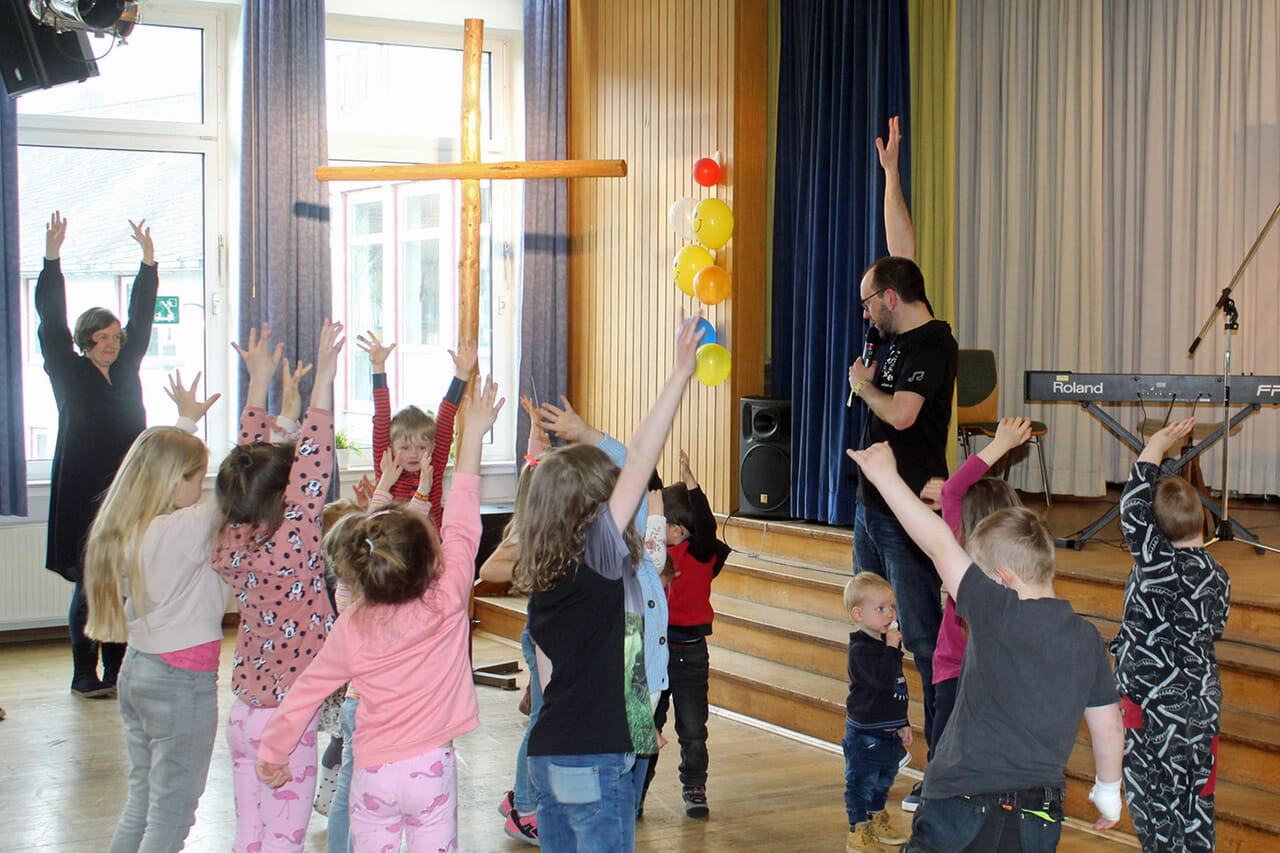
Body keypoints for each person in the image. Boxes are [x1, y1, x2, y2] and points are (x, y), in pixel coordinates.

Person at [256, 376, 503, 853]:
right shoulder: (449, 597)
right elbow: (462, 521)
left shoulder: (353, 622)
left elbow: (307, 691)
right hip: (431, 770)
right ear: (431, 557)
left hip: (372, 773)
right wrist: (471, 438)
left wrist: (273, 750)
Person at [846, 441, 1124, 851]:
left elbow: (938, 542)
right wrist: (1108, 790)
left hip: (961, 799)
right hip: (1039, 811)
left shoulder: (996, 610)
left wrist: (886, 477)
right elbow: (1108, 725)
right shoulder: (1086, 638)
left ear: (1000, 578)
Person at [513, 315, 703, 852]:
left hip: (548, 757)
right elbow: (642, 457)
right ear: (590, 513)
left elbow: (550, 685)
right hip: (596, 758)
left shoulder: (545, 579)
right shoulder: (595, 556)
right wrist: (679, 373)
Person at [848, 118, 958, 807]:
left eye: (869, 300)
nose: (865, 309)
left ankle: (942, 771)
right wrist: (891, 174)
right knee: (872, 625)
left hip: (912, 514)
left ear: (891, 301)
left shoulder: (933, 345)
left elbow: (903, 414)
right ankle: (882, 736)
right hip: (870, 507)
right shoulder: (893, 310)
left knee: (923, 639)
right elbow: (901, 252)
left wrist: (862, 385)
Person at [212, 321, 344, 853]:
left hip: (244, 713)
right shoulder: (294, 540)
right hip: (286, 724)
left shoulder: (231, 534)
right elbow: (312, 462)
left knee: (252, 835)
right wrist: (323, 383)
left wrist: (257, 384)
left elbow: (244, 466)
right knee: (285, 841)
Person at [82, 374, 220, 851]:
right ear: (174, 482)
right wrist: (283, 421)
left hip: (138, 671)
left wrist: (186, 422)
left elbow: (152, 463)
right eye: (198, 480)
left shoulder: (125, 527)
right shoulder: (187, 527)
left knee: (142, 800)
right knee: (172, 813)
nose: (203, 491)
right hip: (181, 682)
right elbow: (252, 479)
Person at [35, 211, 159, 698]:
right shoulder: (67, 370)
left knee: (123, 585)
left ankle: (116, 671)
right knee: (91, 587)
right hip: (84, 495)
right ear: (85, 341)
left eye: (115, 338)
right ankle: (84, 675)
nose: (111, 344)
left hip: (130, 492)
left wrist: (148, 264)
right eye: (101, 338)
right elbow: (50, 320)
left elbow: (143, 318)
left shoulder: (127, 367)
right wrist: (52, 259)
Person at [1110, 418, 1230, 853]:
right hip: (1201, 709)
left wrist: (1155, 448)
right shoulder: (1219, 576)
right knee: (1197, 800)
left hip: (1154, 711)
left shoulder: (1156, 564)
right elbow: (1215, 627)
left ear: (1154, 535)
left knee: (1153, 803)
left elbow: (1131, 507)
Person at [929, 417, 1034, 753]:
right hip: (1000, 676)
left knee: (946, 750)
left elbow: (951, 490)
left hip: (955, 671)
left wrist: (1001, 444)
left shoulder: (959, 552)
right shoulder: (1025, 564)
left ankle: (935, 796)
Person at [644, 448, 730, 819]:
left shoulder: (700, 555)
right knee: (647, 725)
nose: (670, 531)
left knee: (693, 728)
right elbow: (652, 497)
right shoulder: (654, 555)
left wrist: (691, 481)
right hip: (656, 653)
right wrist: (650, 467)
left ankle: (694, 786)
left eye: (677, 526)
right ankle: (636, 789)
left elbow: (707, 525)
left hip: (691, 653)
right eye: (665, 524)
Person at [357, 330, 475, 528]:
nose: (413, 454)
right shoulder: (386, 463)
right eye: (404, 448)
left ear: (432, 447)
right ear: (392, 448)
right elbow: (381, 416)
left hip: (428, 547)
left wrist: (462, 375)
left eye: (421, 447)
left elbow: (446, 417)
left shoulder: (433, 465)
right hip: (391, 545)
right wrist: (378, 367)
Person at [841, 572, 912, 853]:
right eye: (880, 608)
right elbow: (882, 679)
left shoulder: (885, 645)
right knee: (861, 782)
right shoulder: (860, 649)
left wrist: (902, 723)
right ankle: (858, 829)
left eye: (892, 607)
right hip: (866, 733)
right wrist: (893, 648)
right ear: (858, 613)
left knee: (884, 779)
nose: (889, 614)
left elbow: (896, 687)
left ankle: (877, 819)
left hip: (887, 729)